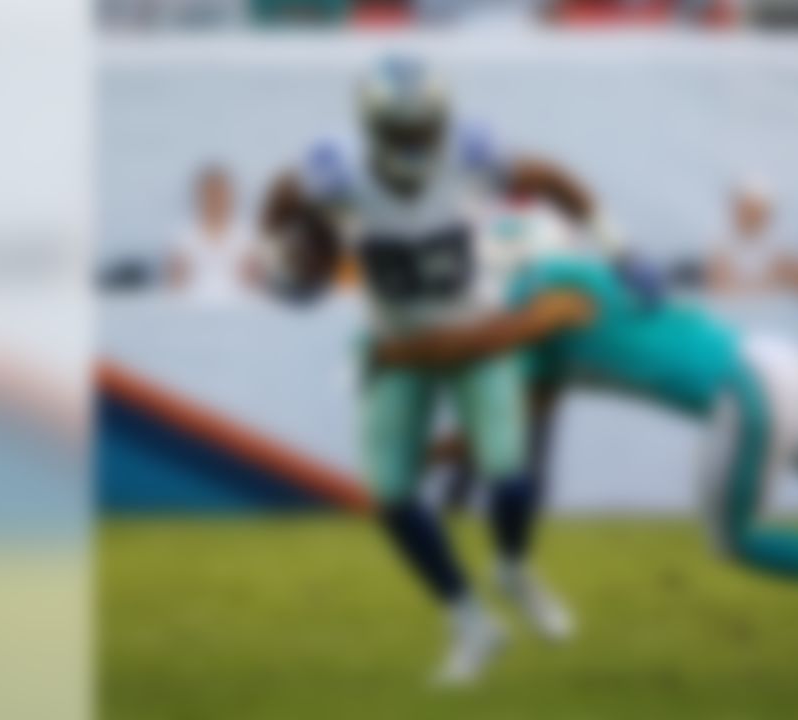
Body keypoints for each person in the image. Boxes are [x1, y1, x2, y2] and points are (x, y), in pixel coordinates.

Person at [372, 251, 798, 675]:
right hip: (779, 359)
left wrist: (407, 355)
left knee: (732, 539)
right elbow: (525, 406)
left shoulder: (535, 296)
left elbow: (527, 324)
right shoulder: (562, 279)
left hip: (737, 391)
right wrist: (431, 453)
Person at [257, 55, 619, 685]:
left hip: (474, 328)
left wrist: (618, 244)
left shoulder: (473, 151)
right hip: (396, 337)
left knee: (508, 472)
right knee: (392, 495)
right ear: (372, 128)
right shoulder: (334, 169)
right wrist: (271, 252)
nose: (419, 143)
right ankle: (469, 619)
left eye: (426, 128)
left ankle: (513, 568)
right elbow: (283, 194)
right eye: (404, 132)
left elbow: (553, 177)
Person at [168, 165, 257, 305]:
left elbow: (254, 281)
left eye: (221, 195)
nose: (216, 201)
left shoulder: (246, 234)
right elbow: (175, 282)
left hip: (238, 306)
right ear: (200, 198)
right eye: (211, 195)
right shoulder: (185, 235)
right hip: (192, 305)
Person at [704, 177, 796, 296]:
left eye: (756, 211)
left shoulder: (778, 245)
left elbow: (782, 283)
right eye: (747, 210)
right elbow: (720, 286)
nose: (751, 216)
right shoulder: (721, 242)